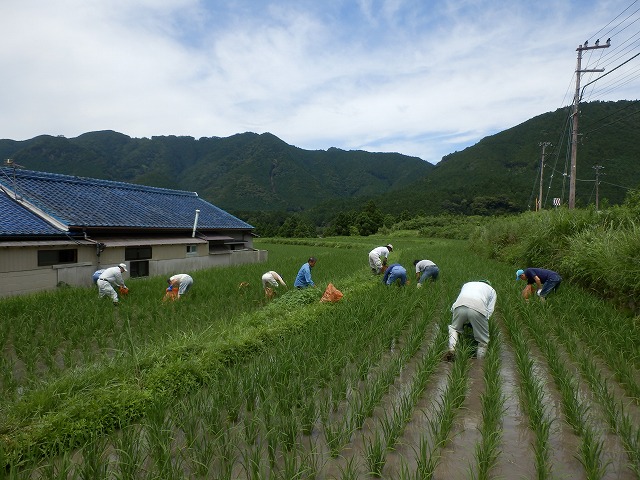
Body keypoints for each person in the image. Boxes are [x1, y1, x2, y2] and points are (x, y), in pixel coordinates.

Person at [446, 280, 497, 360]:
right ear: (488, 284)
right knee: (483, 340)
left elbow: (459, 299)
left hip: (459, 305)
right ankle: (479, 362)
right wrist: (480, 323)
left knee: (454, 329)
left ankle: (452, 349)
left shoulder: (467, 284)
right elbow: (490, 310)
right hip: (478, 307)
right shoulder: (491, 290)